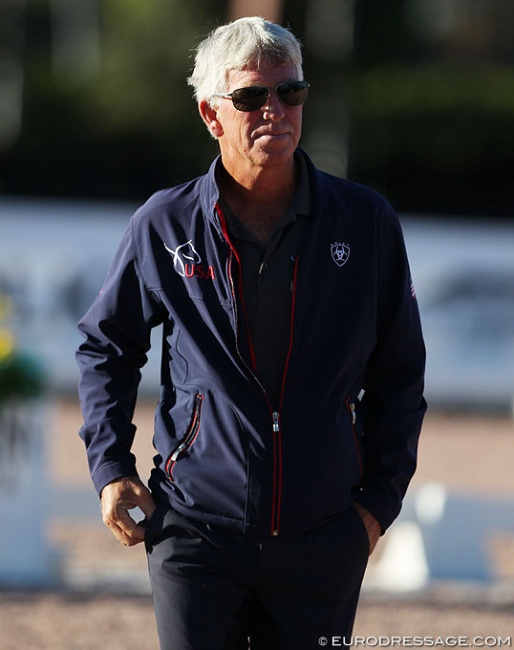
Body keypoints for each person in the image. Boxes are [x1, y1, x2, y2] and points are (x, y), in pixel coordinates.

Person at [76, 16, 426, 650]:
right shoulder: (164, 224)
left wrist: (375, 511)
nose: (275, 110)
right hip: (193, 534)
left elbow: (400, 374)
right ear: (212, 115)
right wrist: (110, 468)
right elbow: (106, 346)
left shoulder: (366, 221)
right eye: (251, 97)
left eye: (289, 92)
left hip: (325, 538)